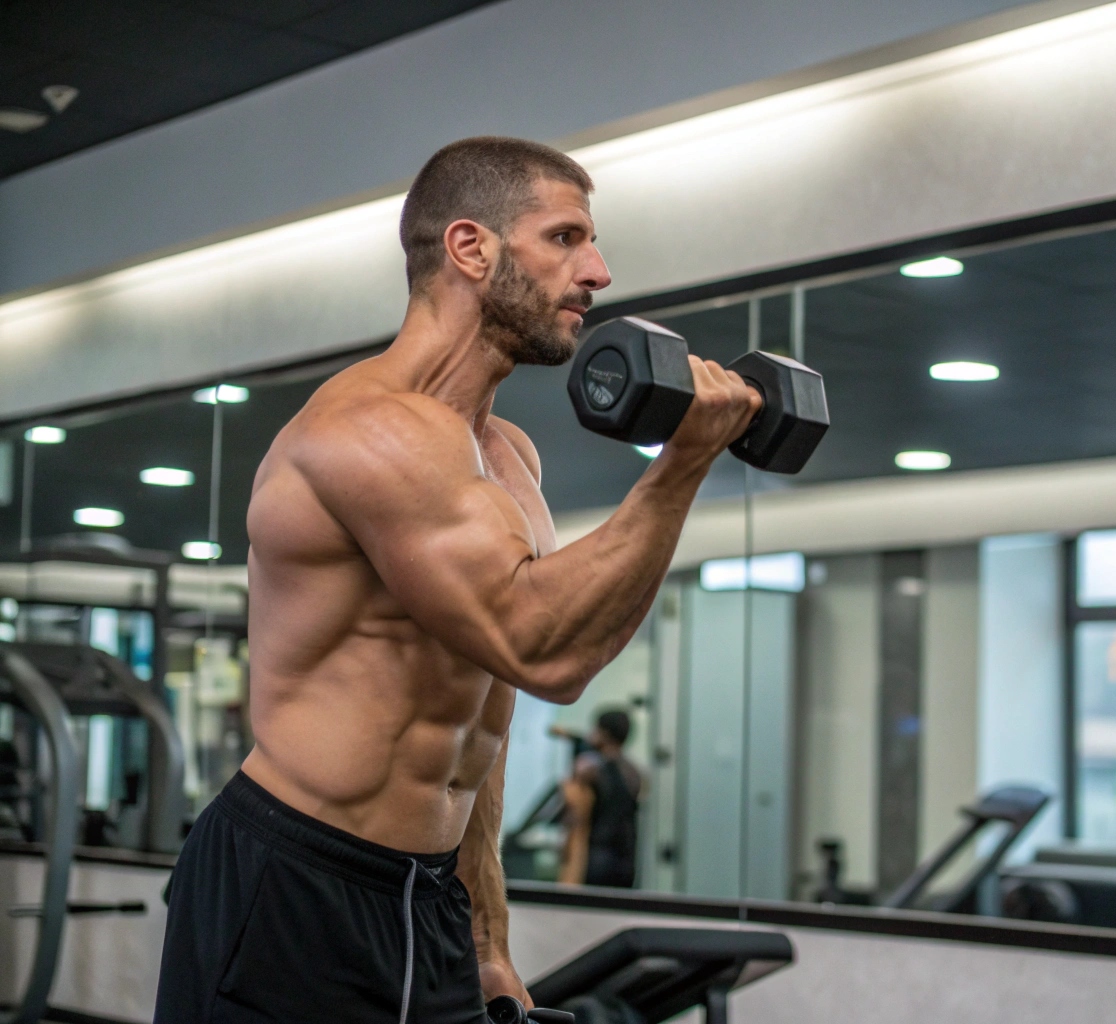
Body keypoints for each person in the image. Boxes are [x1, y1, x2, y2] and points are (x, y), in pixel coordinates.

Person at [154, 137, 761, 1024]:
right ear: (470, 249)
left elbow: (491, 693)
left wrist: (484, 933)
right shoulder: (370, 431)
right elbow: (543, 651)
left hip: (427, 893)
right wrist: (680, 469)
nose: (596, 270)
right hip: (295, 880)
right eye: (565, 238)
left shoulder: (506, 455)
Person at [558, 708, 644, 888]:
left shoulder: (589, 768)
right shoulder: (634, 772)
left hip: (596, 855)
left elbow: (573, 811)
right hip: (627, 859)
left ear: (604, 733)